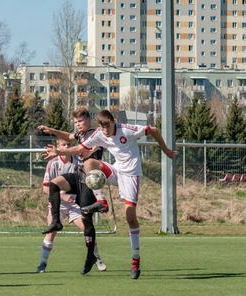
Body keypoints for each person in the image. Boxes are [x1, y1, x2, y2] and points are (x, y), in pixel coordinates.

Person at [42, 109, 178, 279]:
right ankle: (102, 201)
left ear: (114, 122)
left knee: (130, 218)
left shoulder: (126, 130)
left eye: (108, 126)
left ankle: (135, 259)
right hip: (116, 170)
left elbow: (154, 130)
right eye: (103, 127)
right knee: (89, 163)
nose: (105, 130)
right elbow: (79, 148)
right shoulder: (99, 134)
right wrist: (59, 152)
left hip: (131, 176)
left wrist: (165, 151)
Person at [37, 137, 106, 274]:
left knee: (87, 229)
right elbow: (45, 188)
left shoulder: (77, 162)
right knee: (51, 232)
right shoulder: (53, 163)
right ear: (58, 146)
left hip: (74, 203)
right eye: (63, 144)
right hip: (58, 204)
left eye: (68, 144)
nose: (66, 147)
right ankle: (42, 263)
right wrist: (62, 196)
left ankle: (96, 258)